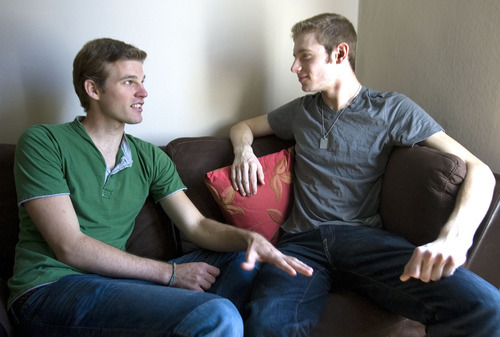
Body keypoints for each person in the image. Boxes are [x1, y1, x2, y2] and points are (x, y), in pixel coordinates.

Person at [7, 38, 313, 337]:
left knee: (240, 259)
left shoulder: (149, 156)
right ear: (93, 89)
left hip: (118, 284)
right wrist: (170, 274)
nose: (143, 92)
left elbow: (196, 225)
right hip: (51, 290)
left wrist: (249, 240)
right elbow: (69, 246)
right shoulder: (44, 142)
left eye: (142, 81)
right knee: (216, 314)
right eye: (129, 82)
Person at [230, 13, 500, 337]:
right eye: (294, 58)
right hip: (300, 245)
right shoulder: (299, 111)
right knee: (266, 326)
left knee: (484, 305)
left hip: (364, 241)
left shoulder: (391, 109)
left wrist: (454, 237)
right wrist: (243, 151)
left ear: (340, 54)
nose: (294, 68)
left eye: (305, 57)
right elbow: (242, 127)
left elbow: (479, 170)